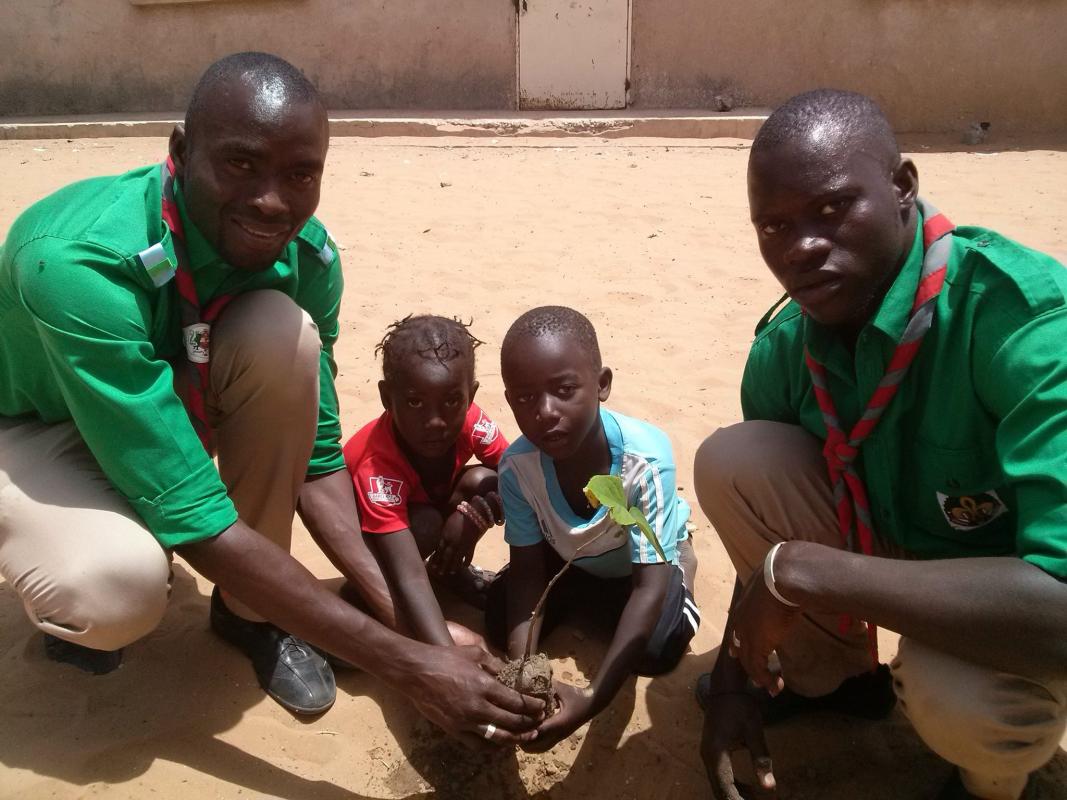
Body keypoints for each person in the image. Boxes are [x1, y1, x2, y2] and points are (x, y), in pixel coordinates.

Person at [0, 51, 544, 745]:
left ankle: (247, 613)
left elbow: (317, 463)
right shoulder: (77, 264)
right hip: (37, 426)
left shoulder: (306, 258)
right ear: (180, 152)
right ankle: (69, 589)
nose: (271, 202)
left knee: (283, 335)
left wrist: (419, 631)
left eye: (300, 174)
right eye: (240, 165)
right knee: (114, 587)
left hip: (167, 413)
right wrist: (410, 666)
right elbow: (197, 518)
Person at [693, 89, 1067, 800]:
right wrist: (733, 682)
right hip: (896, 541)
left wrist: (807, 572)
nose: (800, 247)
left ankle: (988, 783)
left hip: (1006, 595)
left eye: (831, 209)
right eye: (773, 225)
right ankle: (838, 678)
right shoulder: (786, 346)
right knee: (735, 459)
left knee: (965, 701)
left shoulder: (1024, 323)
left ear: (902, 187)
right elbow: (769, 551)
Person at [488, 305, 700, 752]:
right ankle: (589, 601)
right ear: (509, 401)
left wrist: (591, 699)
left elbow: (646, 588)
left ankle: (685, 564)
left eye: (565, 390)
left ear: (601, 384)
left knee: (657, 649)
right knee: (499, 623)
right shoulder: (518, 467)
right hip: (572, 559)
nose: (545, 412)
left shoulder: (645, 460)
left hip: (641, 569)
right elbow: (527, 568)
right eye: (524, 398)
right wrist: (523, 671)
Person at [342, 314, 507, 647]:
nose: (435, 421)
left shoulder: (472, 423)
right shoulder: (378, 466)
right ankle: (372, 603)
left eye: (451, 401)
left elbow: (523, 475)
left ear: (470, 395)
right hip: (372, 547)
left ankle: (448, 573)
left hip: (422, 513)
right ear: (388, 398)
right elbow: (408, 574)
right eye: (415, 402)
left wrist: (473, 518)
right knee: (428, 525)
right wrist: (447, 659)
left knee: (487, 482)